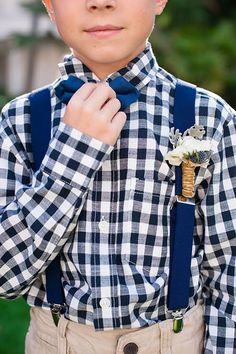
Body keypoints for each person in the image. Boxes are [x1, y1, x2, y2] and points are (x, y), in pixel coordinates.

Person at [0, 0, 235, 353]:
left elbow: (228, 271)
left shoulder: (209, 117)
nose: (100, 3)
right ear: (50, 5)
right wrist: (75, 152)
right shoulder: (20, 122)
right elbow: (5, 276)